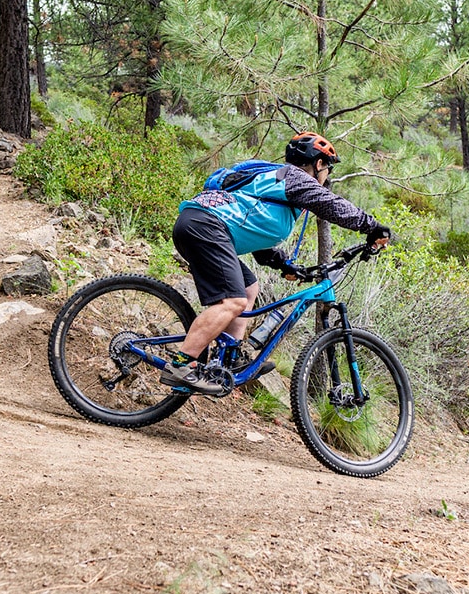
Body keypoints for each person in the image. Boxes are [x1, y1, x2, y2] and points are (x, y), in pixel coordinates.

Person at [162, 131, 391, 396]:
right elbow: (330, 204)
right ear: (318, 164)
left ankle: (230, 359)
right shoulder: (293, 178)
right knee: (232, 302)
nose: (327, 175)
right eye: (327, 168)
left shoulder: (276, 186)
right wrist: (371, 226)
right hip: (205, 227)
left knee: (248, 289)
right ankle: (180, 364)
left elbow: (255, 230)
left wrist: (285, 265)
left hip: (202, 226)